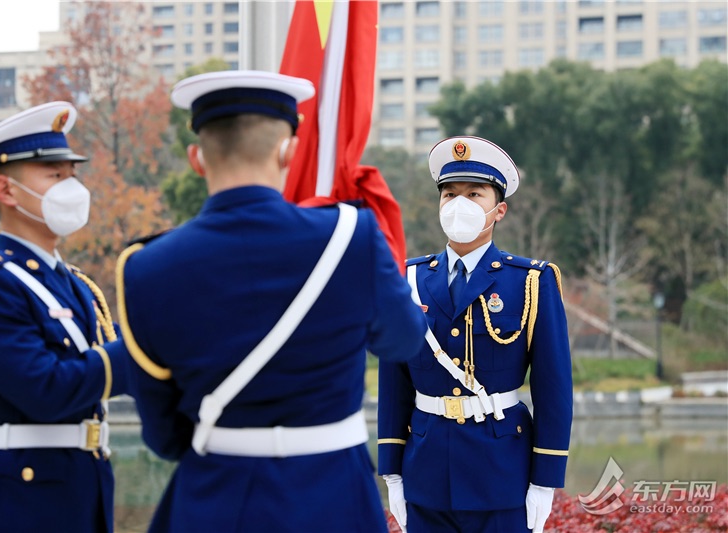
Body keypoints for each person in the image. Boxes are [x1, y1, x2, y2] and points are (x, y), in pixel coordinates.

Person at [112, 70, 427, 532]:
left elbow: (163, 434)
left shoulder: (144, 267)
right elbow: (403, 342)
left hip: (214, 498)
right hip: (334, 497)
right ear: (289, 150)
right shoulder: (351, 238)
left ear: (197, 159)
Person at [0, 102, 128, 533]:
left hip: (80, 484)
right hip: (23, 493)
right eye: (54, 175)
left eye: (72, 174)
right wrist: (145, 347)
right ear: (6, 191)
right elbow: (46, 389)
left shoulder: (76, 284)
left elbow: (116, 356)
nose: (71, 187)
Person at [377, 136, 573, 533]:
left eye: (474, 193)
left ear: (498, 210)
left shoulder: (531, 282)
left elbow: (553, 387)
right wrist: (392, 472)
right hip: (426, 471)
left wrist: (545, 480)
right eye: (449, 194)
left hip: (502, 473)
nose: (458, 204)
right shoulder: (409, 279)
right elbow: (393, 381)